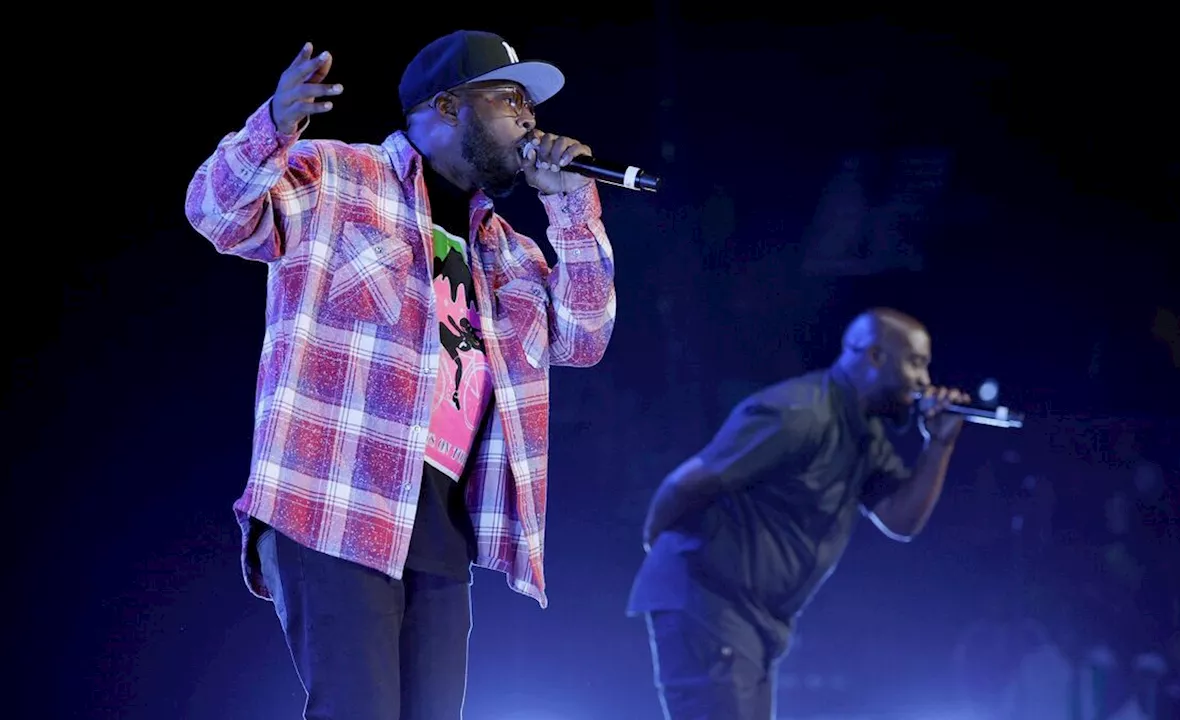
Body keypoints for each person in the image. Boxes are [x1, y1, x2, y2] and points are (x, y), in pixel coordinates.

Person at [183, 30, 617, 720]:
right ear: (446, 107)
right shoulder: (337, 178)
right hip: (335, 497)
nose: (530, 119)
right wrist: (273, 124)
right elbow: (216, 213)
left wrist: (570, 206)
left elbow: (584, 338)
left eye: (530, 106)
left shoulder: (511, 253)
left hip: (442, 518)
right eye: (509, 99)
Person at [628, 307, 971, 720]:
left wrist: (940, 445)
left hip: (752, 622)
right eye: (915, 363)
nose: (924, 380)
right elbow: (686, 484)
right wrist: (662, 552)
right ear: (875, 356)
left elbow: (900, 520)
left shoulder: (864, 435)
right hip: (709, 605)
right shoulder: (800, 414)